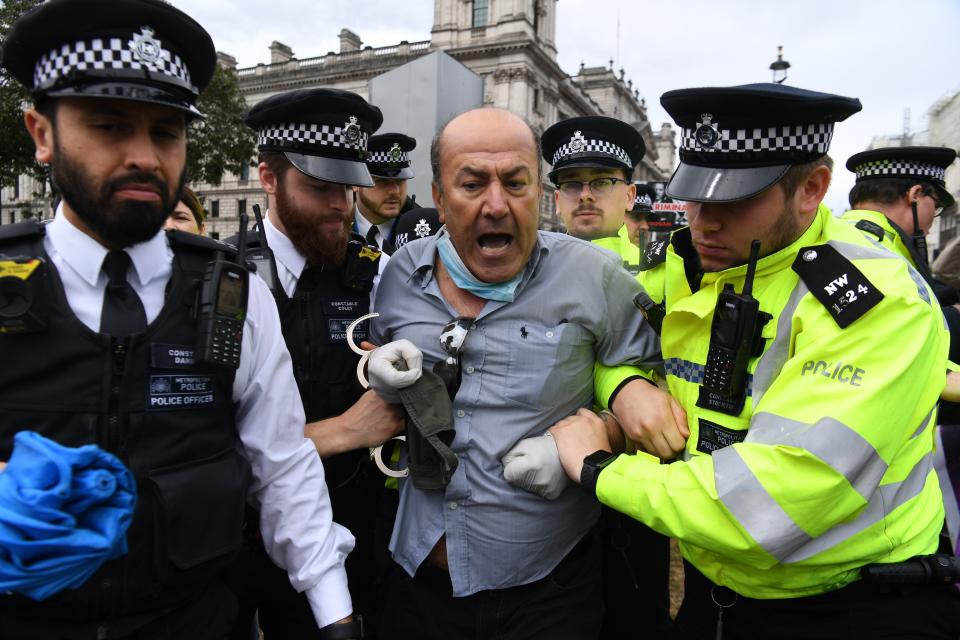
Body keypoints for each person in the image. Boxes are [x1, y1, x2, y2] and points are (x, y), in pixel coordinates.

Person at [541, 83, 960, 639]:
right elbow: (604, 339)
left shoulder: (879, 302)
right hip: (716, 591)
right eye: (694, 195)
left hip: (845, 606)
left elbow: (768, 502)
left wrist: (600, 469)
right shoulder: (687, 260)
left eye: (734, 201)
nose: (704, 222)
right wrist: (624, 387)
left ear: (811, 188)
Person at [0, 1, 360, 638]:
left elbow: (282, 467)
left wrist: (335, 614)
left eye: (166, 132)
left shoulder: (235, 294)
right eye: (110, 125)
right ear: (42, 133)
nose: (144, 155)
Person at [369, 107, 668, 640]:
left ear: (538, 192)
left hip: (548, 593)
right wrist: (371, 372)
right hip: (417, 584)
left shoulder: (596, 278)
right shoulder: (398, 275)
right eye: (472, 184)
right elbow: (376, 367)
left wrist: (602, 435)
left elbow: (658, 391)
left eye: (515, 182)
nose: (495, 204)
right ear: (438, 197)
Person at [227, 88, 405, 638]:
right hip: (248, 535)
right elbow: (196, 439)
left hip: (363, 523)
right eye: (320, 187)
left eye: (349, 188)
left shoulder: (377, 272)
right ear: (268, 177)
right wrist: (337, 432)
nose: (339, 206)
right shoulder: (222, 281)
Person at [540, 116, 673, 637]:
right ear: (557, 198)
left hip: (634, 478)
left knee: (635, 614)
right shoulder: (527, 269)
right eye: (571, 184)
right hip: (547, 479)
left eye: (602, 182)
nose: (586, 196)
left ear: (629, 194)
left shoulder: (669, 269)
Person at [842, 146, 960, 361]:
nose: (934, 218)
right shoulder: (883, 258)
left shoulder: (845, 237)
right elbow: (904, 346)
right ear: (915, 195)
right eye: (936, 205)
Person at [354, 133, 420, 255]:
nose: (395, 191)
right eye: (382, 181)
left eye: (400, 181)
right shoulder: (335, 222)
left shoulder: (422, 231)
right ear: (357, 182)